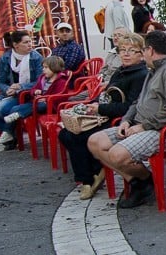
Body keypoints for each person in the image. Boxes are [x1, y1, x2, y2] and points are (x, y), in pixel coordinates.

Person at [88, 30, 166, 208]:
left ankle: (144, 181)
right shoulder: (155, 68)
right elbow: (138, 101)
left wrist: (144, 126)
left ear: (151, 50)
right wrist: (126, 120)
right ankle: (141, 181)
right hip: (143, 125)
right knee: (95, 142)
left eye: (143, 49)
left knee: (117, 154)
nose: (141, 53)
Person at [58, 34, 149, 200]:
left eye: (131, 51)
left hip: (121, 120)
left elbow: (130, 107)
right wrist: (91, 105)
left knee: (80, 136)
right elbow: (105, 96)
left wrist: (100, 108)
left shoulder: (141, 75)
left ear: (141, 54)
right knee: (65, 133)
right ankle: (92, 172)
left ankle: (88, 178)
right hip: (105, 115)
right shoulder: (120, 71)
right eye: (122, 50)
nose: (126, 54)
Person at [0, 30, 44, 146]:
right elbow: (0, 81)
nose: (30, 44)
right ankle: (11, 134)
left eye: (30, 41)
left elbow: (39, 81)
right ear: (16, 45)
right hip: (8, 93)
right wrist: (7, 89)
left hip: (27, 93)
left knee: (1, 108)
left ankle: (9, 135)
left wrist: (20, 86)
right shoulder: (5, 58)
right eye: (26, 42)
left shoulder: (36, 57)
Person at [1, 55, 69, 131]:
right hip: (38, 102)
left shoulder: (61, 81)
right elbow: (33, 89)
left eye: (46, 68)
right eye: (43, 67)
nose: (43, 70)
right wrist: (35, 92)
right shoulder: (42, 78)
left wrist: (45, 97)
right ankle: (8, 133)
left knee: (40, 105)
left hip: (52, 106)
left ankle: (17, 117)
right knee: (14, 108)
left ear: (54, 67)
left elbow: (60, 97)